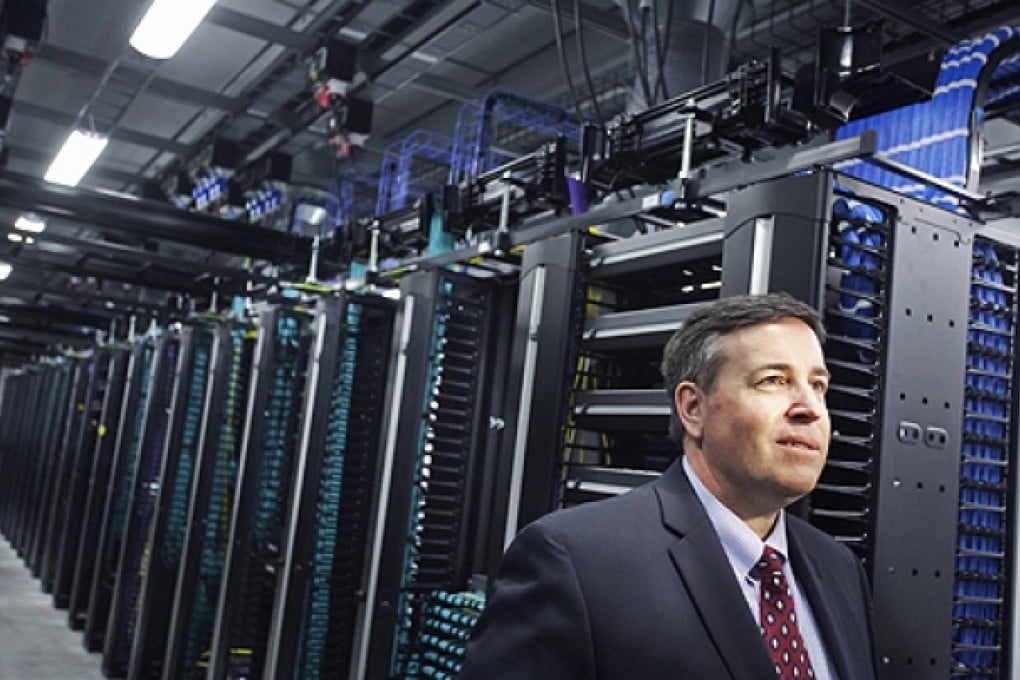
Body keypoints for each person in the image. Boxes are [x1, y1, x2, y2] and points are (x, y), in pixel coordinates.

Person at [459, 292, 877, 680]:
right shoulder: (574, 562)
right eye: (773, 380)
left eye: (818, 385)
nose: (809, 409)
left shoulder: (839, 568)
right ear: (693, 408)